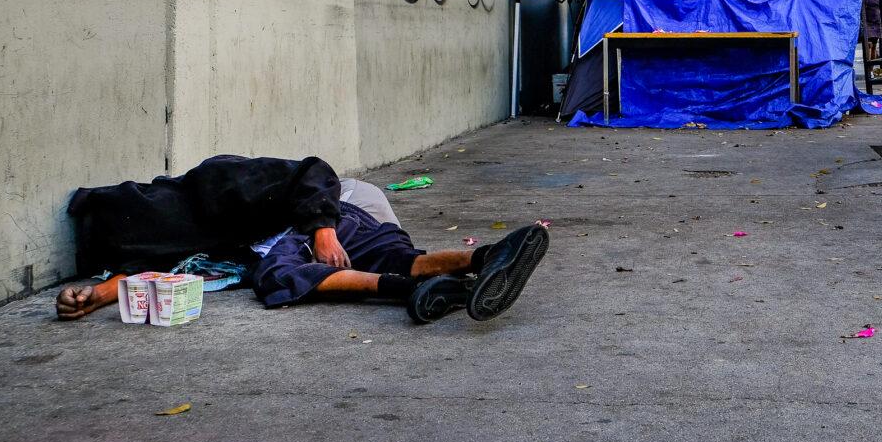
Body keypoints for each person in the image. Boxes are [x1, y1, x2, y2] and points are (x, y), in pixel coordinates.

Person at [55, 155, 549, 324]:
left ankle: (428, 283)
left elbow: (313, 172)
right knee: (398, 258)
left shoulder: (217, 182)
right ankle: (483, 261)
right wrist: (92, 296)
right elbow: (144, 277)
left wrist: (322, 229)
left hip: (340, 205)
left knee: (279, 276)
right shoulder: (166, 245)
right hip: (296, 235)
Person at [863, 0, 882, 74]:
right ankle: (868, 69)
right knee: (869, 46)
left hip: (877, 22)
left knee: (874, 46)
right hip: (868, 22)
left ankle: (871, 70)